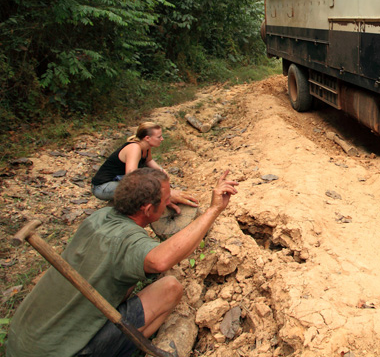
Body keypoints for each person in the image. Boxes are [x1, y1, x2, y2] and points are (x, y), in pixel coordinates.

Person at [6, 168, 239, 357]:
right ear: (147, 209)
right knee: (171, 288)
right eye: (167, 199)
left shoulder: (99, 217)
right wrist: (213, 210)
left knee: (125, 282)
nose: (170, 201)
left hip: (20, 343)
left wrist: (166, 195)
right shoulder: (127, 244)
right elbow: (160, 261)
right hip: (65, 352)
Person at [92, 122, 197, 212]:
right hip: (103, 187)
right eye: (159, 137)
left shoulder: (146, 147)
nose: (162, 139)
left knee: (154, 183)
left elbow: (149, 160)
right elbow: (132, 178)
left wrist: (161, 172)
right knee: (145, 191)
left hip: (118, 181)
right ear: (147, 138)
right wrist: (163, 193)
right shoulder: (134, 148)